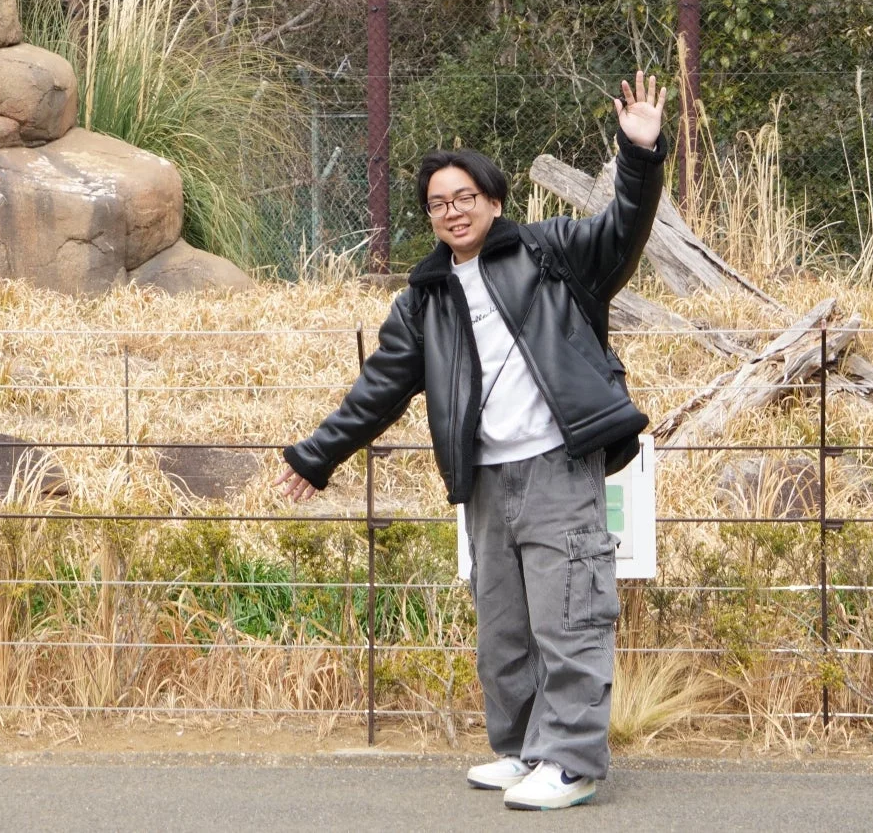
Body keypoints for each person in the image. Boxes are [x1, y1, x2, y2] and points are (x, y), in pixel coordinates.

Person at [278, 73, 667, 812]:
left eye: (465, 197)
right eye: (438, 203)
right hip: (485, 478)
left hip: (557, 465)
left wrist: (639, 153)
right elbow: (378, 391)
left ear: (493, 200)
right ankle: (523, 748)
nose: (453, 211)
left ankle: (572, 762)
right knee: (505, 629)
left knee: (570, 615)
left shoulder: (552, 252)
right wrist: (316, 456)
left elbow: (624, 227)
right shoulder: (423, 301)